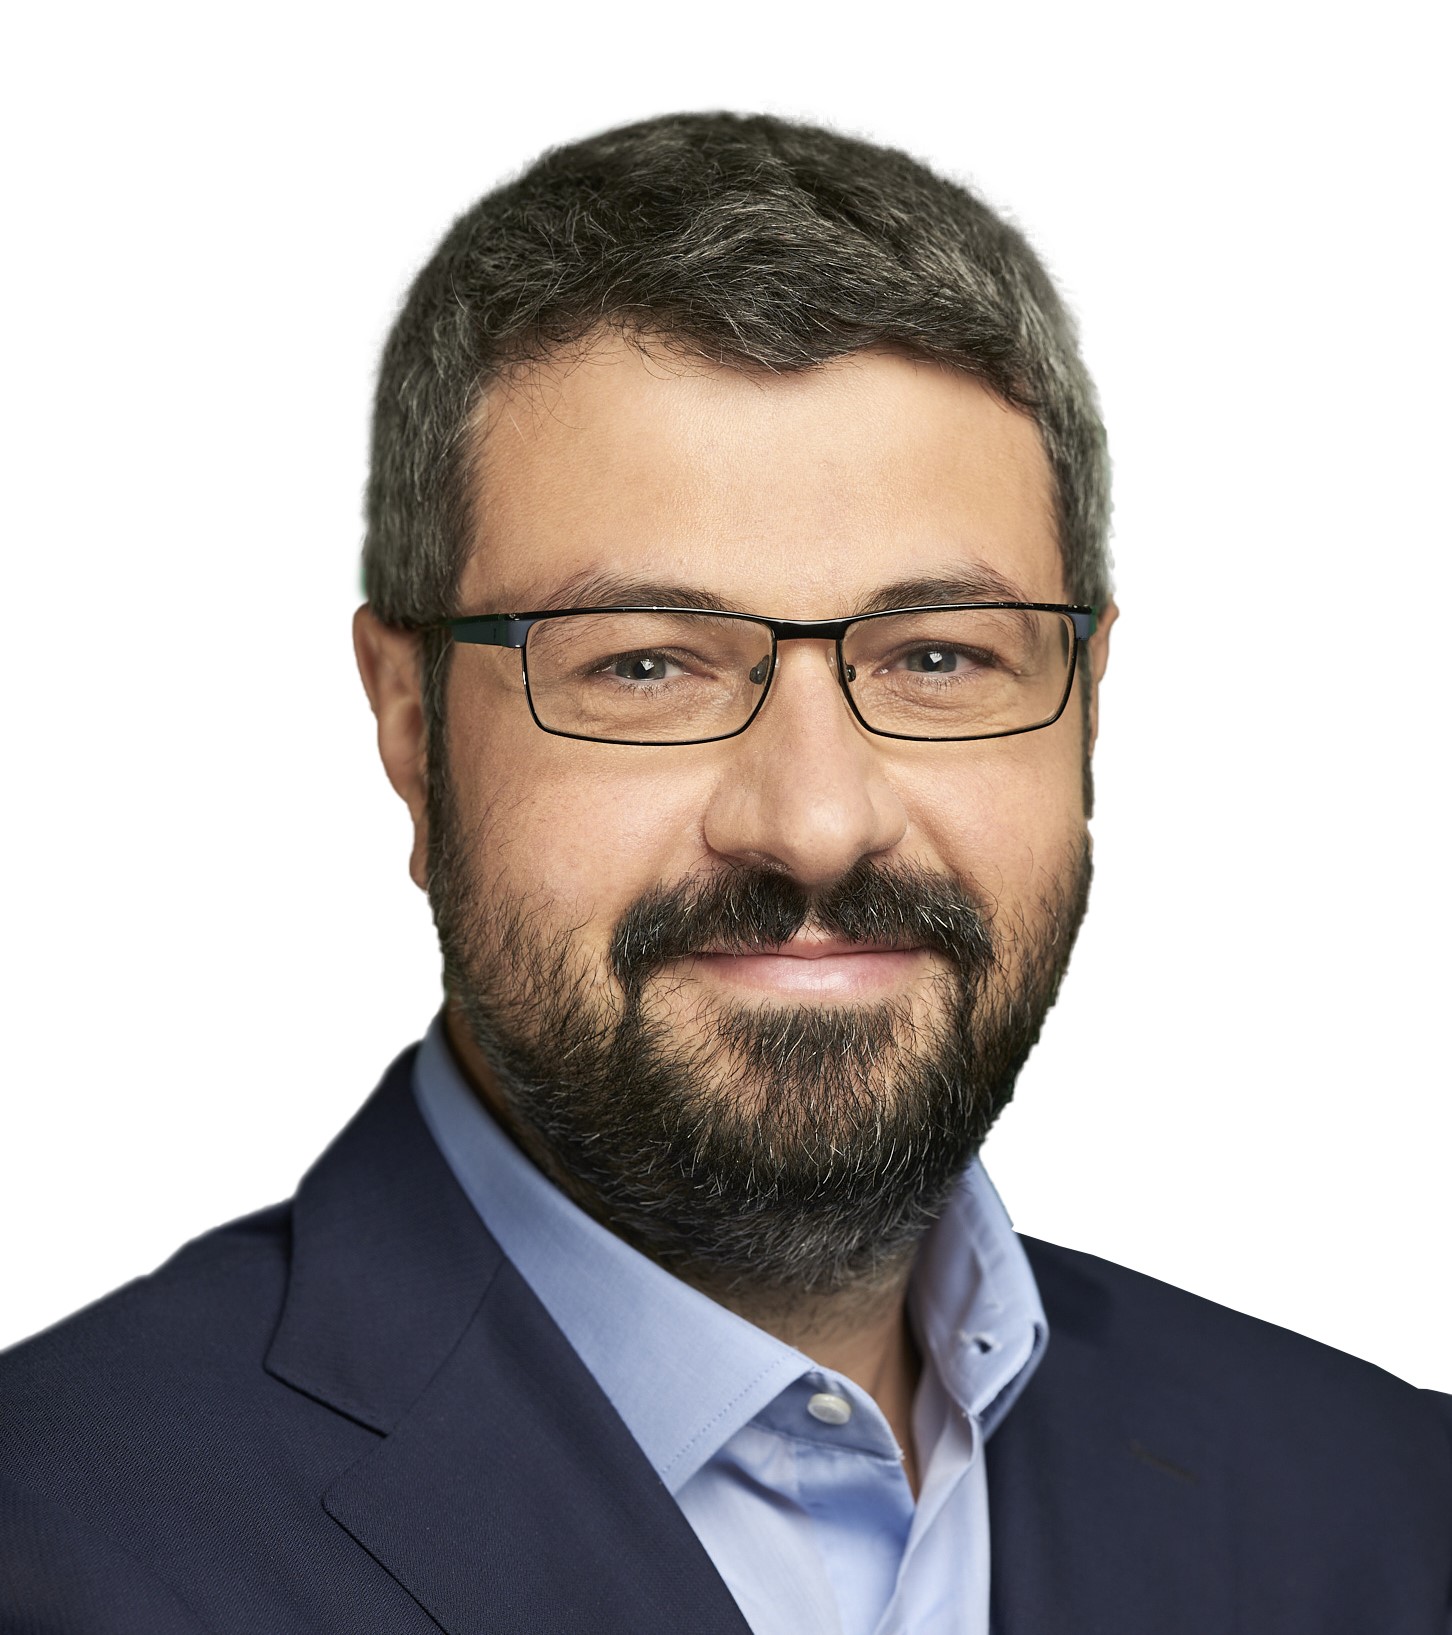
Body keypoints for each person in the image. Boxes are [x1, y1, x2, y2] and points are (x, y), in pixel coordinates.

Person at [1, 111, 1447, 1635]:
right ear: (411, 727)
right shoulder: (52, 1553)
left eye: (938, 657)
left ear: (1088, 709)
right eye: (644, 665)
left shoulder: (1390, 1515)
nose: (815, 823)